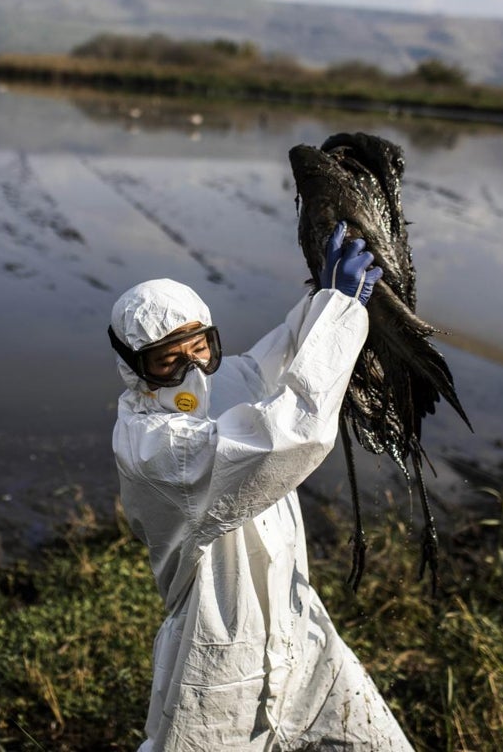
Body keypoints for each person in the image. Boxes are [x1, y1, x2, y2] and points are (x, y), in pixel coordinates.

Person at [108, 223, 414, 751]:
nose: (191, 367)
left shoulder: (229, 378)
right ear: (135, 368)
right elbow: (283, 437)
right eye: (167, 359)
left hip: (296, 621)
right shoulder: (150, 446)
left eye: (199, 345)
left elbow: (284, 357)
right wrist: (341, 316)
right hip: (222, 641)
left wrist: (323, 302)